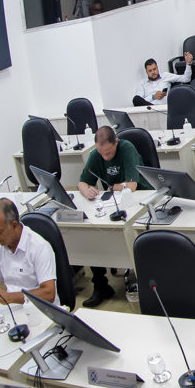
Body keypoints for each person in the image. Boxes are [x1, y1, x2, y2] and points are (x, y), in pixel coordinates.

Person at [77, 126, 150, 306]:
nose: (105, 158)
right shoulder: (97, 154)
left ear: (116, 142)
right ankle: (101, 285)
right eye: (102, 154)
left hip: (141, 199)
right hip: (115, 203)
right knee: (93, 232)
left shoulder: (127, 148)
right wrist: (87, 190)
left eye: (109, 153)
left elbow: (132, 186)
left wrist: (111, 187)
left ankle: (145, 279)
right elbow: (82, 182)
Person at [0, 199, 56, 308]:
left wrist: (9, 297)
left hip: (39, 309)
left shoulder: (39, 247)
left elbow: (49, 293)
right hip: (12, 307)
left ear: (14, 225)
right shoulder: (0, 245)